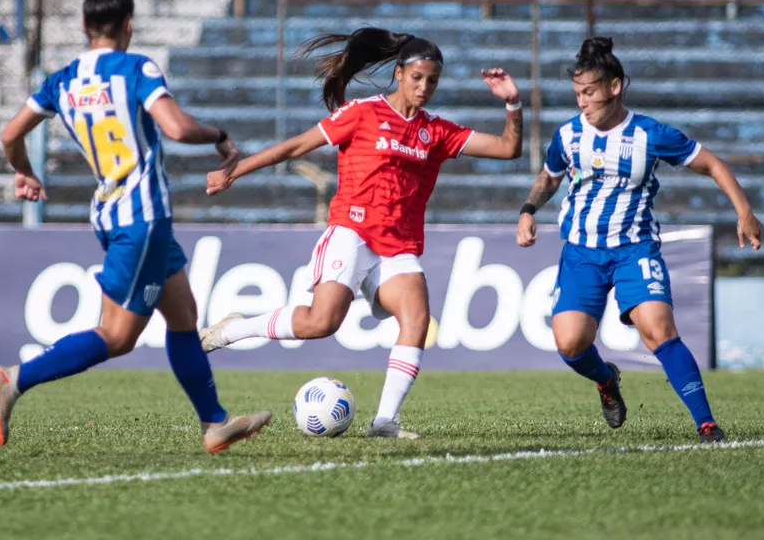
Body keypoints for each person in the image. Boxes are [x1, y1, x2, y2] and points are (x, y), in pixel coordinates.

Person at [0, 0, 271, 452]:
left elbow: (10, 134)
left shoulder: (63, 80)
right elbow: (177, 129)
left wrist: (24, 173)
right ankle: (15, 378)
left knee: (183, 315)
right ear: (129, 24)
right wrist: (221, 138)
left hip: (115, 213)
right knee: (118, 337)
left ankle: (215, 423)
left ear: (84, 24)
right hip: (140, 219)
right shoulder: (137, 68)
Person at [199, 27, 524, 438]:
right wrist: (234, 171)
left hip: (399, 246)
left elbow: (507, 149)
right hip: (351, 232)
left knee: (416, 319)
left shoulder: (436, 132)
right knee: (321, 323)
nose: (424, 87)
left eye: (433, 81)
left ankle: (385, 421)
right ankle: (229, 330)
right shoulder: (362, 112)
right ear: (399, 74)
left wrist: (512, 103)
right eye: (417, 77)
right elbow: (296, 146)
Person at [516, 36, 762, 443]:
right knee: (571, 343)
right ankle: (606, 380)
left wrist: (744, 212)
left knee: (658, 330)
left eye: (590, 92)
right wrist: (528, 210)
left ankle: (706, 424)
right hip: (582, 253)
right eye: (577, 93)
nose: (582, 102)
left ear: (615, 87)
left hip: (635, 249)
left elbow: (711, 163)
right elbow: (549, 177)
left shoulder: (650, 134)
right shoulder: (568, 136)